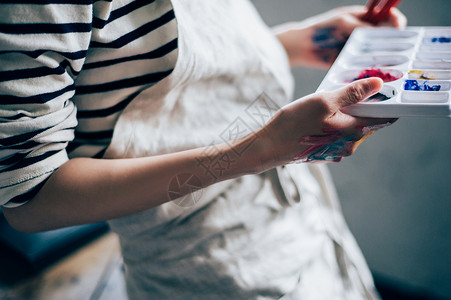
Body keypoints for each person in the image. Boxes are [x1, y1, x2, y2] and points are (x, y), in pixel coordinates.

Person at [0, 0, 406, 299]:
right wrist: (261, 149)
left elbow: (159, 69)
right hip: (216, 272)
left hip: (306, 225)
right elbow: (32, 197)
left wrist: (298, 42)